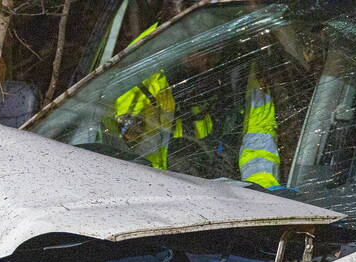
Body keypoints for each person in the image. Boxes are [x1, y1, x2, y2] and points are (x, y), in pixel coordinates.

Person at [110, 17, 281, 188]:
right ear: (181, 41)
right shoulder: (145, 67)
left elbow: (259, 135)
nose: (208, 58)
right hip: (151, 189)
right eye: (201, 49)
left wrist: (261, 189)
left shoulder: (240, 63)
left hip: (224, 191)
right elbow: (121, 147)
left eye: (214, 48)